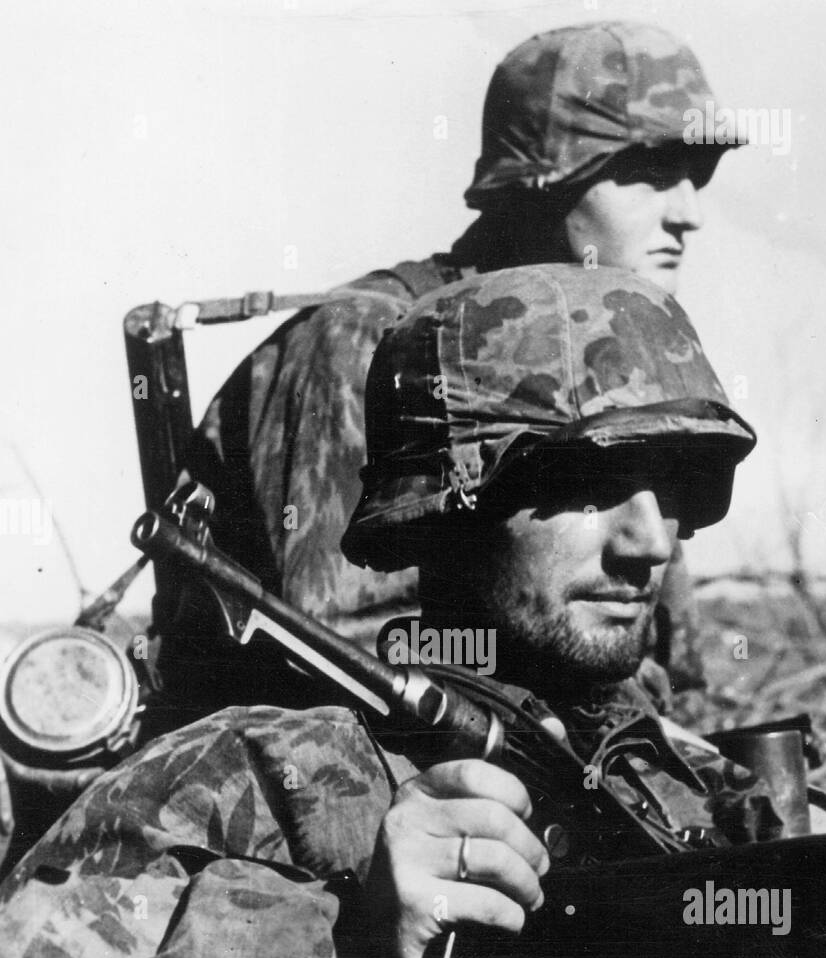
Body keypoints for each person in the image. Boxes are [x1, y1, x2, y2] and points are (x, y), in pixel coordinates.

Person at [0, 264, 775, 958]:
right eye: (589, 480)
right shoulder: (263, 774)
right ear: (449, 501)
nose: (650, 540)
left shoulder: (687, 779)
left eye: (677, 482)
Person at [153, 21, 743, 731]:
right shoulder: (370, 345)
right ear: (542, 182)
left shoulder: (620, 367)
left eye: (696, 175)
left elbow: (664, 659)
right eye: (648, 174)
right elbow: (359, 648)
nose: (688, 213)